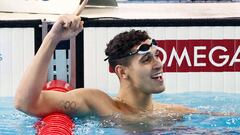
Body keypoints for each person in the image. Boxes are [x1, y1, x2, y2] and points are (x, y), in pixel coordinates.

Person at [14, 0, 233, 124]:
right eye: (146, 59)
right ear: (122, 71)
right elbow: (25, 103)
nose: (158, 64)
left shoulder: (172, 113)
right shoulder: (99, 103)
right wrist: (52, 38)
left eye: (157, 56)